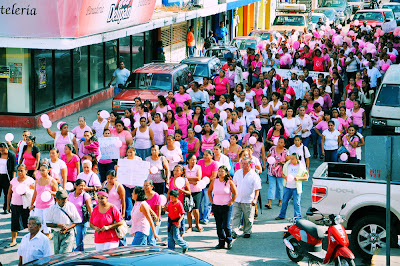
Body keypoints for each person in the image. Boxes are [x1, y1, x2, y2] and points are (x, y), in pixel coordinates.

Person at [208, 166, 237, 249]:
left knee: (226, 225)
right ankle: (221, 242)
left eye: (222, 171)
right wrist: (211, 201)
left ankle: (229, 240)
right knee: (219, 226)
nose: (220, 173)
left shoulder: (229, 182)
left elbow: (235, 193)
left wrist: (231, 202)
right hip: (216, 206)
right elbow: (209, 191)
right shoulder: (214, 181)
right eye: (219, 171)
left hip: (226, 206)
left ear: (226, 173)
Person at [231, 157, 261, 238]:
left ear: (250, 164)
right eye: (242, 163)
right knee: (236, 215)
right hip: (237, 199)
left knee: (248, 217)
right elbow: (234, 184)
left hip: (248, 200)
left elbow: (257, 188)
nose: (243, 165)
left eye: (245, 163)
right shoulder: (238, 173)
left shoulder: (254, 175)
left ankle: (247, 231)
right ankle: (234, 231)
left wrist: (255, 199)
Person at [6, 164, 35, 247]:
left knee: (28, 223)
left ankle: (31, 239)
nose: (20, 172)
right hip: (15, 204)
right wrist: (8, 205)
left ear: (26, 171)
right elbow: (9, 193)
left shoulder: (30, 180)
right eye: (18, 170)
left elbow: (35, 193)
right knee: (14, 222)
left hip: (26, 205)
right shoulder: (14, 180)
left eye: (22, 170)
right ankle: (13, 240)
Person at [45, 190, 81, 254]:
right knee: (57, 255)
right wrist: (58, 225)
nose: (64, 200)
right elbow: (47, 223)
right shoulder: (52, 208)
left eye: (65, 198)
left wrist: (67, 228)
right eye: (62, 199)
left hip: (68, 233)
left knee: (64, 253)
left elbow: (77, 221)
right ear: (57, 199)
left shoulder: (71, 206)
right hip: (57, 234)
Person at [276, 153, 309, 220]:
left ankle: (298, 217)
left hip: (296, 187)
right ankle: (282, 215)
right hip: (287, 186)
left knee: (296, 203)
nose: (291, 160)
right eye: (290, 158)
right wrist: (285, 177)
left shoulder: (301, 167)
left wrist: (298, 178)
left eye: (292, 159)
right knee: (284, 201)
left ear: (297, 159)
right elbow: (282, 174)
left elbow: (306, 177)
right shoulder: (287, 165)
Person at [30, 164, 58, 237]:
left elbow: (57, 194)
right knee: (37, 223)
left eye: (43, 170)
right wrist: (32, 204)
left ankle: (47, 238)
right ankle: (39, 239)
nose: (42, 172)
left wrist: (51, 192)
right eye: (40, 170)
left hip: (48, 206)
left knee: (46, 224)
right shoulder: (37, 180)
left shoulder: (52, 181)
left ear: (48, 170)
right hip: (38, 205)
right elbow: (35, 193)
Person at [68, 179, 92, 251]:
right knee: (70, 240)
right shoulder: (70, 195)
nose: (83, 188)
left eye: (84, 186)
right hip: (71, 221)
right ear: (76, 186)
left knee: (79, 241)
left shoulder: (85, 195)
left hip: (81, 222)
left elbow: (89, 207)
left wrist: (93, 219)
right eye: (81, 185)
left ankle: (79, 256)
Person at [266, 137, 289, 209]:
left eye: (281, 142)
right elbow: (267, 156)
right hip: (272, 171)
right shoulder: (272, 148)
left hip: (280, 172)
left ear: (284, 144)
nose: (279, 143)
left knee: (280, 187)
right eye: (279, 141)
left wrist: (282, 163)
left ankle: (280, 200)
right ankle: (269, 202)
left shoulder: (286, 152)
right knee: (271, 187)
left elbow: (288, 162)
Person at [198, 149, 218, 225]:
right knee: (198, 202)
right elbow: (198, 172)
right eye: (204, 154)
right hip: (199, 184)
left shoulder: (214, 164)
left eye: (207, 155)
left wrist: (205, 182)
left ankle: (205, 218)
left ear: (211, 156)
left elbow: (214, 176)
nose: (205, 156)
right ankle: (199, 217)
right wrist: (200, 181)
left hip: (209, 185)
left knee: (207, 202)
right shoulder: (200, 162)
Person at [184, 154, 203, 232]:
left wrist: (187, 180)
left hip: (197, 190)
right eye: (192, 159)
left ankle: (197, 224)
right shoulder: (184, 168)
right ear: (188, 160)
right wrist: (192, 181)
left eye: (195, 159)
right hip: (188, 191)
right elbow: (182, 178)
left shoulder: (198, 167)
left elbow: (198, 178)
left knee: (196, 210)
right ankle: (190, 226)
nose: (193, 161)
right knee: (189, 209)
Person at [0, 142, 17, 214]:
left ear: (7, 148)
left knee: (7, 193)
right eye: (0, 150)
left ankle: (6, 207)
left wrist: (13, 180)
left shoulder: (11, 155)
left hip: (7, 177)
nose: (1, 152)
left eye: (3, 150)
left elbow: (14, 168)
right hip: (0, 175)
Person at [144, 180, 162, 246]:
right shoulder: (142, 194)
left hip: (154, 219)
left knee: (151, 239)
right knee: (145, 238)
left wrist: (157, 221)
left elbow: (159, 209)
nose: (145, 187)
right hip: (145, 219)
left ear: (152, 186)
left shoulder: (156, 196)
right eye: (144, 185)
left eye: (147, 185)